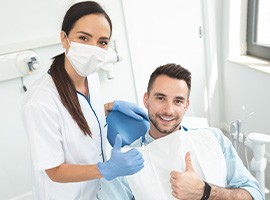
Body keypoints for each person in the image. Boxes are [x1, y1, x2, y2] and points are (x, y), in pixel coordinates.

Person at [21, 1, 146, 199]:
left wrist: (109, 108)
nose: (93, 48)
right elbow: (54, 170)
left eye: (102, 42)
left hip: (100, 191)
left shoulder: (92, 78)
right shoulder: (40, 103)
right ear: (64, 38)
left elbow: (79, 113)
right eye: (83, 38)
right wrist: (106, 169)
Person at [100, 63, 264, 199]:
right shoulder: (124, 162)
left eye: (178, 101)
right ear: (146, 100)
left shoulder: (214, 138)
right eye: (160, 98)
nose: (168, 110)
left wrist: (205, 191)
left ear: (186, 105)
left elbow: (255, 195)